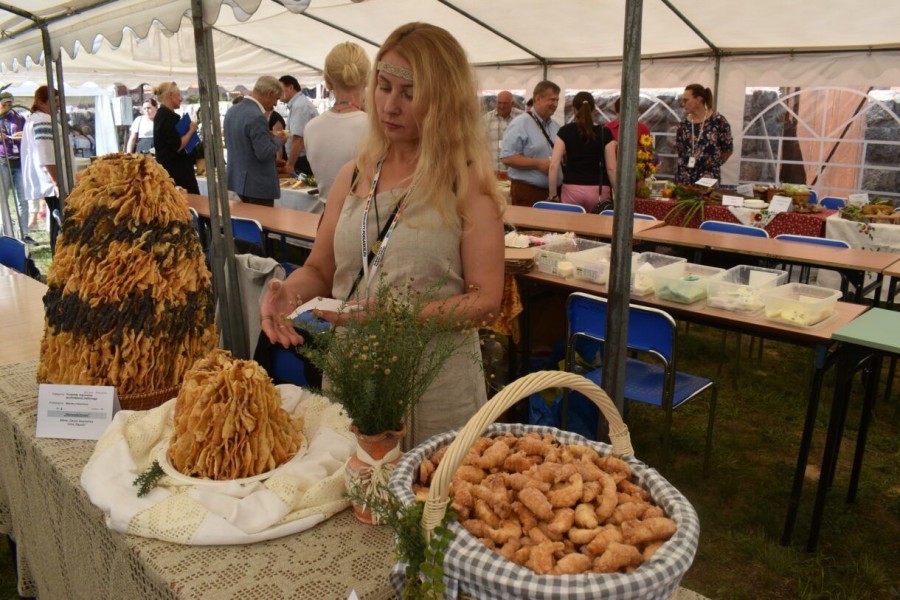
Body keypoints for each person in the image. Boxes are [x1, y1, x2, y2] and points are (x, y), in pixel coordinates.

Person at [260, 22, 504, 447]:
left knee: (426, 502)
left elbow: (486, 301)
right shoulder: (353, 174)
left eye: (410, 94)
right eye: (384, 87)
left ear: (443, 99)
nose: (390, 106)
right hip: (353, 379)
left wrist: (397, 319)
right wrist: (291, 292)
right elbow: (321, 267)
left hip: (436, 387)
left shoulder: (465, 181)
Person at [304, 41, 370, 199]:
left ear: (327, 82)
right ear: (367, 79)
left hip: (325, 216)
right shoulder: (374, 127)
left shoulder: (311, 127)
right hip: (360, 219)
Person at [222, 76, 289, 207]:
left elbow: (240, 140)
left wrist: (267, 137)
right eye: (276, 99)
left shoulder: (232, 111)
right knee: (261, 225)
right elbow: (263, 154)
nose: (275, 104)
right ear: (269, 93)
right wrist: (279, 140)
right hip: (257, 186)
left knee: (246, 224)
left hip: (237, 181)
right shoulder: (257, 116)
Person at [21, 85, 69, 253]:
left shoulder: (34, 119)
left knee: (57, 222)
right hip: (52, 181)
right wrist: (56, 182)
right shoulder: (43, 120)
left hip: (49, 180)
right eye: (54, 102)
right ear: (41, 102)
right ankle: (60, 259)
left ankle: (59, 259)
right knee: (60, 223)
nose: (58, 106)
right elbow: (46, 153)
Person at [547, 92, 613, 212]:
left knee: (571, 229)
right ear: (593, 110)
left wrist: (553, 195)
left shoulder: (564, 132)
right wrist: (618, 196)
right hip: (599, 191)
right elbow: (611, 169)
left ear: (573, 109)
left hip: (572, 190)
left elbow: (553, 165)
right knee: (598, 229)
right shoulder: (606, 133)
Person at [500, 80, 561, 206]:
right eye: (552, 100)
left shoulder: (556, 126)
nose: (555, 104)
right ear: (538, 99)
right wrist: (538, 164)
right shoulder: (520, 123)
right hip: (528, 193)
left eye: (557, 100)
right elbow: (507, 157)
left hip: (554, 194)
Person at [675, 83, 733, 185]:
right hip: (684, 179)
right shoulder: (683, 125)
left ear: (698, 99)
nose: (683, 104)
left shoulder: (719, 121)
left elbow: (727, 150)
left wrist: (713, 165)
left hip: (708, 179)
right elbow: (680, 151)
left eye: (686, 100)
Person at [153, 81, 199, 194]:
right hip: (177, 173)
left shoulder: (162, 115)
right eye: (178, 94)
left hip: (172, 170)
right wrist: (191, 130)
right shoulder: (167, 117)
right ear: (170, 95)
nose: (181, 98)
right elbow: (177, 145)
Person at [603, 96, 651, 190]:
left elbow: (648, 154)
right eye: (622, 112)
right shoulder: (608, 128)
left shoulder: (642, 129)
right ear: (617, 113)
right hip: (612, 171)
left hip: (634, 174)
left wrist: (642, 175)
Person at [0, 91, 30, 243]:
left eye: (10, 104)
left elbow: (27, 135)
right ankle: (6, 232)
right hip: (3, 161)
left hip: (18, 162)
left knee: (22, 198)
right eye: (4, 104)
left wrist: (22, 135)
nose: (7, 107)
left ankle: (24, 233)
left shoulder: (19, 118)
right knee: (3, 199)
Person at [278, 75, 318, 178]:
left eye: (280, 89)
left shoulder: (300, 106)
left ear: (291, 87)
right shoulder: (298, 104)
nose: (278, 93)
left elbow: (298, 138)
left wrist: (290, 164)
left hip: (303, 159)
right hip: (302, 158)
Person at [482, 90, 522, 177]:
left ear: (512, 103)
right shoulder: (486, 119)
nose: (502, 106)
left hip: (515, 173)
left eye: (505, 103)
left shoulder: (522, 118)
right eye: (499, 103)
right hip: (491, 172)